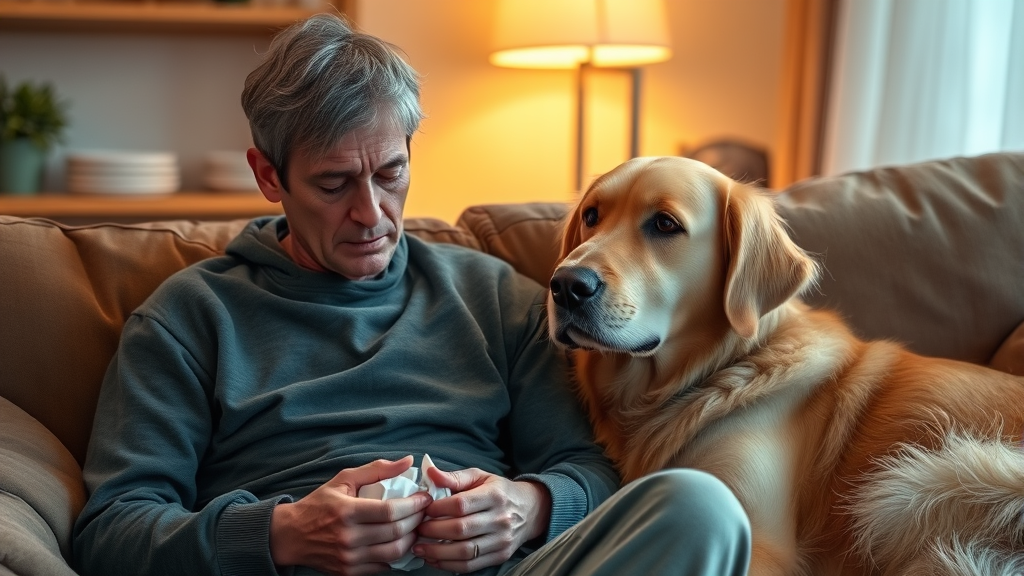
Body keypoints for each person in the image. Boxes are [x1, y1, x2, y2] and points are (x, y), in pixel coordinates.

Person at [71, 13, 751, 576]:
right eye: (334, 183)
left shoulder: (496, 297)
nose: (371, 214)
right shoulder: (188, 319)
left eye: (391, 173)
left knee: (701, 507)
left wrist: (527, 507)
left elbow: (589, 468)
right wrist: (285, 533)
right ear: (268, 176)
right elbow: (111, 530)